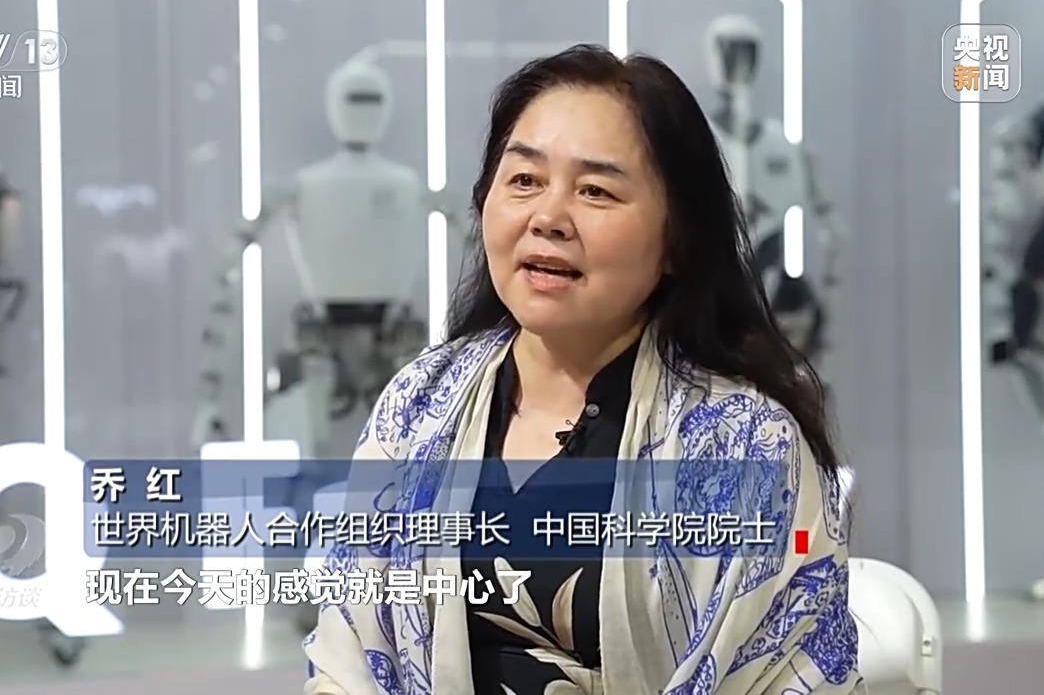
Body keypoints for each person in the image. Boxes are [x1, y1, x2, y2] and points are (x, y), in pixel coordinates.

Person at [302, 44, 861, 694]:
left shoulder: (744, 444)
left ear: (677, 240)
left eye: (596, 190)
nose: (547, 218)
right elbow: (347, 650)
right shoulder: (417, 405)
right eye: (524, 180)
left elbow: (788, 673)